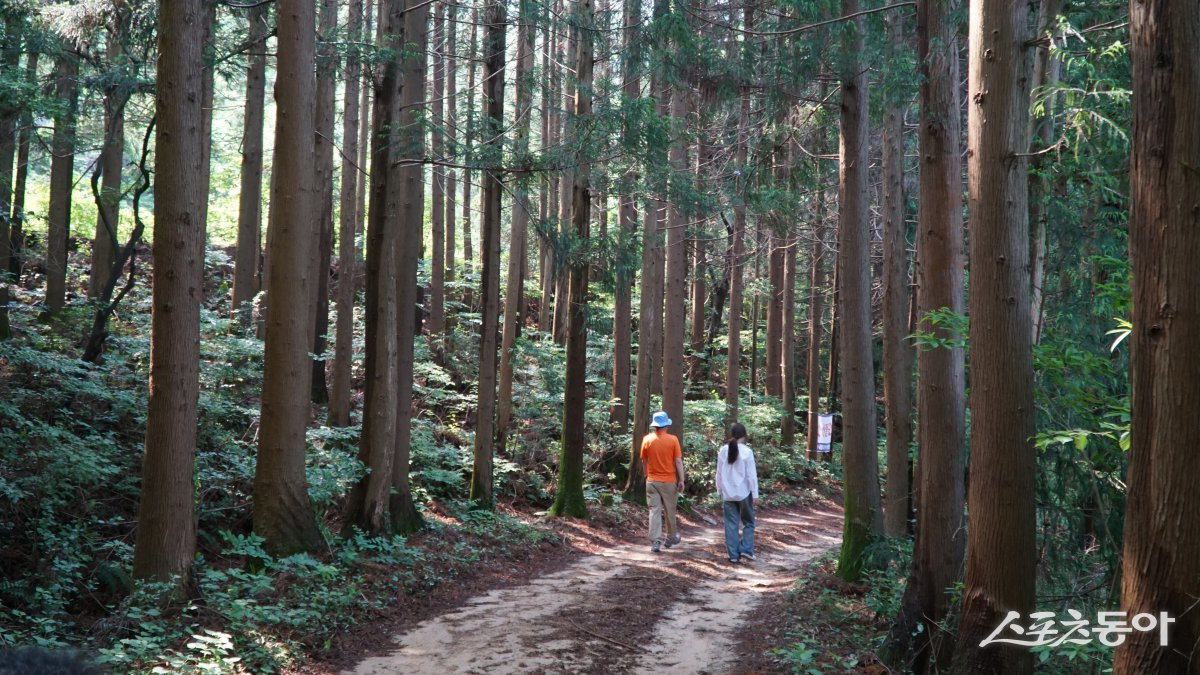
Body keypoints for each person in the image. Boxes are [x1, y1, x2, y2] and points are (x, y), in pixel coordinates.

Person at [641, 410, 685, 553]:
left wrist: (646, 474)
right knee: (669, 510)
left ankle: (656, 540)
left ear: (655, 426)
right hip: (668, 481)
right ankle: (671, 536)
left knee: (654, 511)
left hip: (652, 481)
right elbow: (678, 461)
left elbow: (644, 460)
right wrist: (682, 479)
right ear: (666, 425)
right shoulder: (673, 440)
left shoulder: (647, 439)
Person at [716, 422, 758, 563]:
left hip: (728, 494)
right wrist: (755, 494)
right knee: (749, 522)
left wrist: (719, 490)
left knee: (730, 524)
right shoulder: (747, 452)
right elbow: (751, 476)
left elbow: (719, 473)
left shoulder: (723, 450)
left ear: (732, 434)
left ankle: (733, 556)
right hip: (744, 492)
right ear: (744, 435)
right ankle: (746, 549)